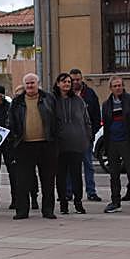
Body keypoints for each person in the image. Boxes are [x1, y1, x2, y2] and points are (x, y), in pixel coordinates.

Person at [8, 73, 58, 219]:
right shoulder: (17, 102)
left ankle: (48, 210)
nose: (30, 86)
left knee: (48, 180)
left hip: (46, 144)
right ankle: (22, 211)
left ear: (38, 83)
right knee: (23, 181)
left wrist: (55, 140)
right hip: (24, 145)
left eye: (32, 83)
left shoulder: (49, 99)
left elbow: (56, 119)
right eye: (27, 83)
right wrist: (14, 140)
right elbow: (10, 122)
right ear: (24, 85)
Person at [100, 76, 130, 214]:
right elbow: (106, 124)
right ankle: (115, 202)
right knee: (114, 173)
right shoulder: (106, 104)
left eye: (120, 85)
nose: (118, 88)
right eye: (115, 86)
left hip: (127, 141)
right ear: (111, 88)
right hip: (112, 141)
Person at [52, 72, 91, 215]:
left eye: (68, 82)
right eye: (64, 81)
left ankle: (78, 202)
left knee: (76, 175)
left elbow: (86, 121)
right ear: (58, 84)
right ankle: (63, 203)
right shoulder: (52, 100)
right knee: (61, 176)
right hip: (59, 144)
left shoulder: (78, 101)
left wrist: (87, 137)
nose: (67, 84)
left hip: (76, 142)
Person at [69, 69, 102, 202]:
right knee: (70, 165)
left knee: (88, 164)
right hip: (69, 137)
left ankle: (91, 191)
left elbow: (95, 116)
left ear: (82, 79)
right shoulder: (66, 94)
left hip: (85, 137)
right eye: (73, 80)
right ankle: (68, 191)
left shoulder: (89, 94)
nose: (75, 82)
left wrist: (91, 133)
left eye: (78, 79)